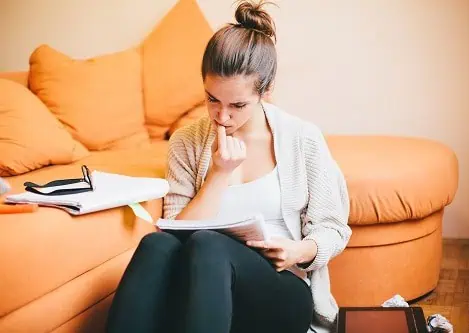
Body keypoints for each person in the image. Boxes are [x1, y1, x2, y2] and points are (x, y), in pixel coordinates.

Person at [105, 1, 351, 332]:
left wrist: (297, 251)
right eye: (212, 100)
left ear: (266, 91)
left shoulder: (302, 139)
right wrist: (218, 174)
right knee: (156, 244)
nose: (222, 116)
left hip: (279, 292)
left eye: (237, 105)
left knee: (209, 244)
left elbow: (333, 229)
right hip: (203, 291)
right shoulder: (186, 142)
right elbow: (175, 234)